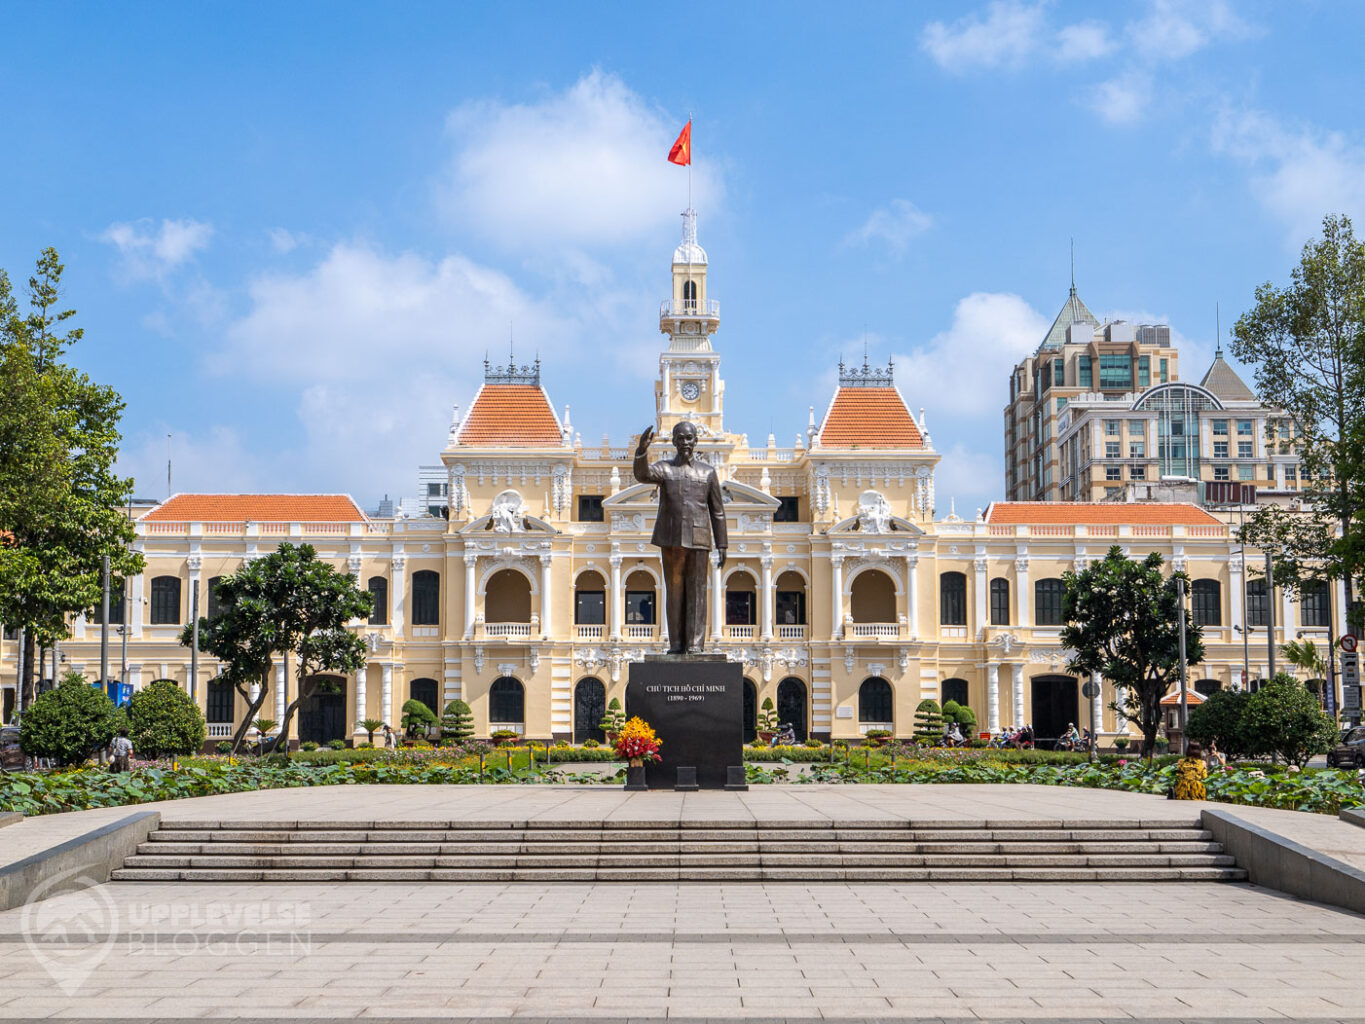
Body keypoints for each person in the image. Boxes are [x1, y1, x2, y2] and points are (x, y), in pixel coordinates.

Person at [633, 421, 728, 655]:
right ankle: (676, 644)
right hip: (671, 537)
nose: (685, 442)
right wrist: (642, 451)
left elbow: (717, 510)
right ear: (674, 441)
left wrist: (722, 544)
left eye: (689, 438)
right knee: (674, 591)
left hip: (699, 538)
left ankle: (695, 644)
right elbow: (642, 474)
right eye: (680, 438)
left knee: (698, 592)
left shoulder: (707, 472)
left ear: (696, 442)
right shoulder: (664, 469)